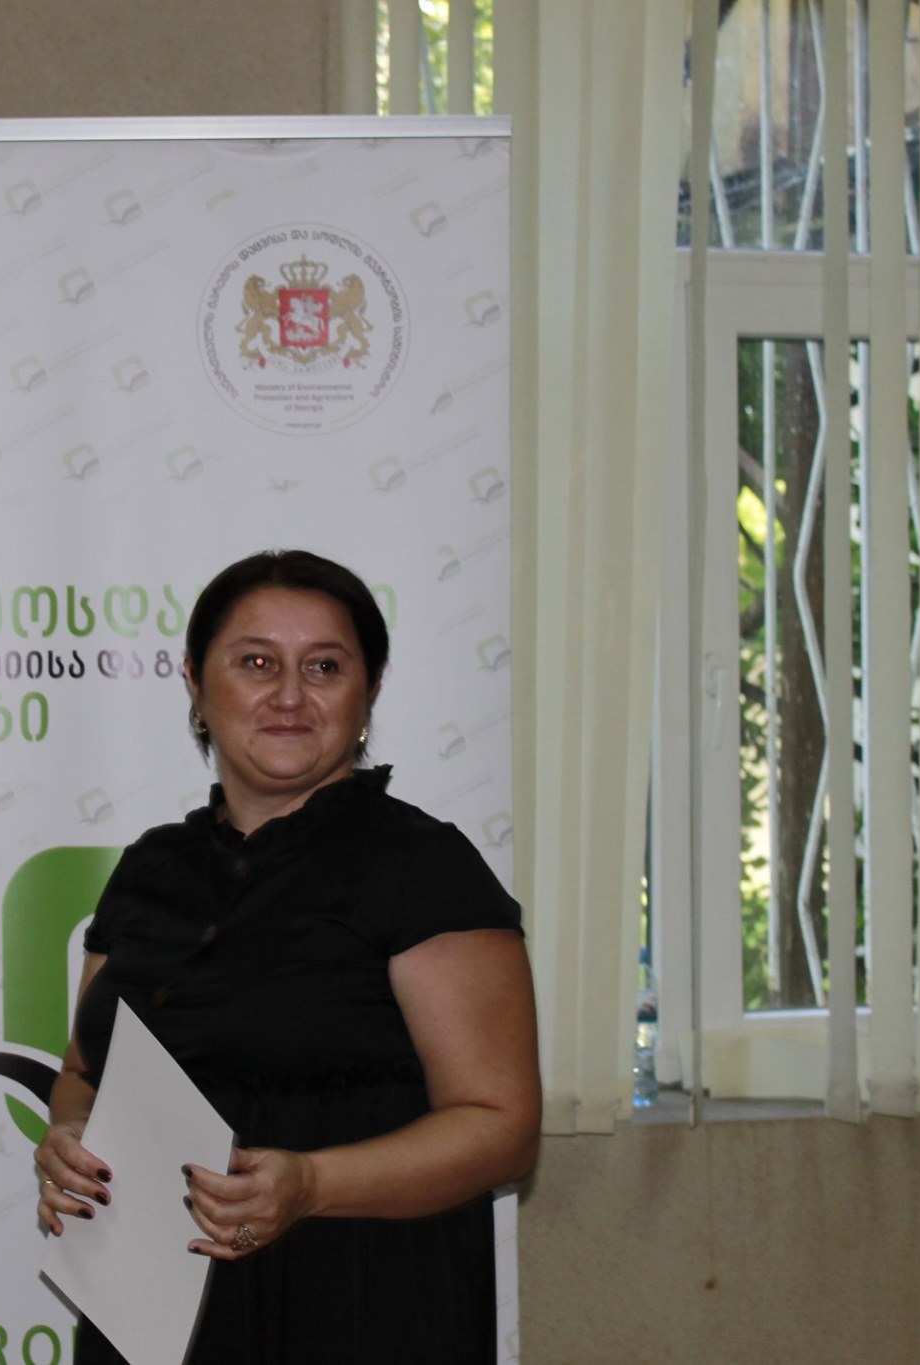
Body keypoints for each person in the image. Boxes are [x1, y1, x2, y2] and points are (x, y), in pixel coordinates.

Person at [33, 549, 540, 1364]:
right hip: (147, 1305)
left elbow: (501, 1128)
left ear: (369, 692)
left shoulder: (423, 866)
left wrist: (312, 1184)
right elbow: (84, 1073)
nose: (291, 695)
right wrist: (69, 1133)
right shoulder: (149, 867)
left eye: (325, 666)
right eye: (257, 662)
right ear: (196, 683)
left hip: (361, 1300)